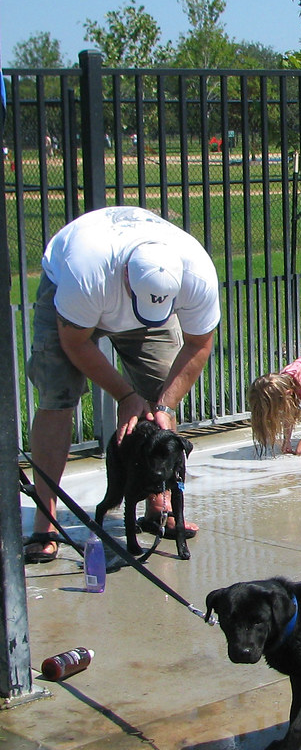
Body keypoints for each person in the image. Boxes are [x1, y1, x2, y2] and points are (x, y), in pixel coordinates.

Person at [24, 206, 221, 563]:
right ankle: (45, 520)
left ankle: (158, 509)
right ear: (126, 279)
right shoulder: (86, 274)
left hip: (131, 289)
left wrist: (162, 404)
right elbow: (75, 343)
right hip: (73, 301)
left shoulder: (196, 272)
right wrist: (126, 396)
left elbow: (199, 344)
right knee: (58, 396)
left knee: (162, 388)